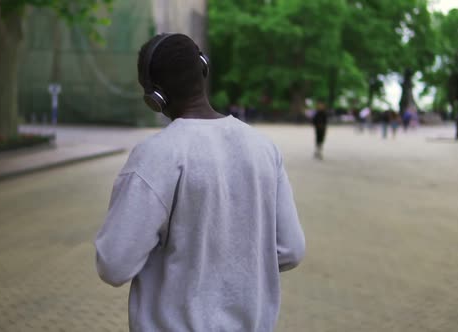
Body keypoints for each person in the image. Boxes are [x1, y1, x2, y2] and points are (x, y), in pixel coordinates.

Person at [94, 33, 305, 331]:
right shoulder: (264, 149)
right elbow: (291, 249)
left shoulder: (155, 155)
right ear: (203, 69)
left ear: (155, 96)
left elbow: (114, 264)